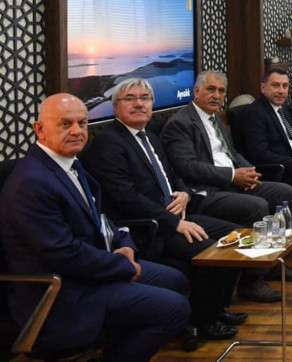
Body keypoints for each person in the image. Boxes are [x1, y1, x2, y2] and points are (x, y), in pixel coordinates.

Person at [0, 93, 190, 360]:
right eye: (65, 124)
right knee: (173, 309)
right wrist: (123, 266)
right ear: (39, 130)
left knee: (175, 280)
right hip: (62, 291)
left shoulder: (71, 164)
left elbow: (102, 217)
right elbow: (63, 254)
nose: (77, 131)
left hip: (92, 269)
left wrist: (125, 245)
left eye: (82, 123)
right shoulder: (31, 183)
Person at [84, 79, 250, 335]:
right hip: (150, 228)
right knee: (212, 250)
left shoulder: (150, 137)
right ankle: (203, 320)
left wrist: (184, 193)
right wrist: (175, 223)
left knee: (235, 236)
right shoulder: (108, 143)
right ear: (116, 107)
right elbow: (126, 198)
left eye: (145, 98)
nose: (139, 104)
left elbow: (173, 176)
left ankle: (217, 308)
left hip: (175, 215)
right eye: (130, 99)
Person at [161, 70, 292, 229]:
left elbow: (232, 153)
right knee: (257, 205)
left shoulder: (216, 118)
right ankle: (259, 245)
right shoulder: (180, 123)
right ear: (196, 91)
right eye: (211, 89)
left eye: (221, 91)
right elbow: (188, 167)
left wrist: (250, 172)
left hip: (232, 183)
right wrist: (232, 175)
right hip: (206, 191)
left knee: (285, 192)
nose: (216, 95)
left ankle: (281, 241)